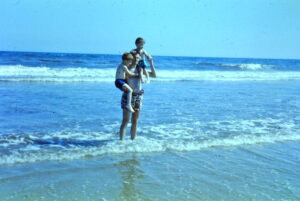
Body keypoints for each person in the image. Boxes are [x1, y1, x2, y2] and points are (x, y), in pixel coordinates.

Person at [119, 48, 157, 140]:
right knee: (126, 120)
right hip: (128, 96)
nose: (136, 59)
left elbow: (154, 75)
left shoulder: (140, 69)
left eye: (138, 58)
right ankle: (121, 143)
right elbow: (124, 78)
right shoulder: (126, 69)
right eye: (134, 58)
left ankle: (133, 141)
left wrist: (151, 62)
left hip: (138, 97)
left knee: (135, 121)